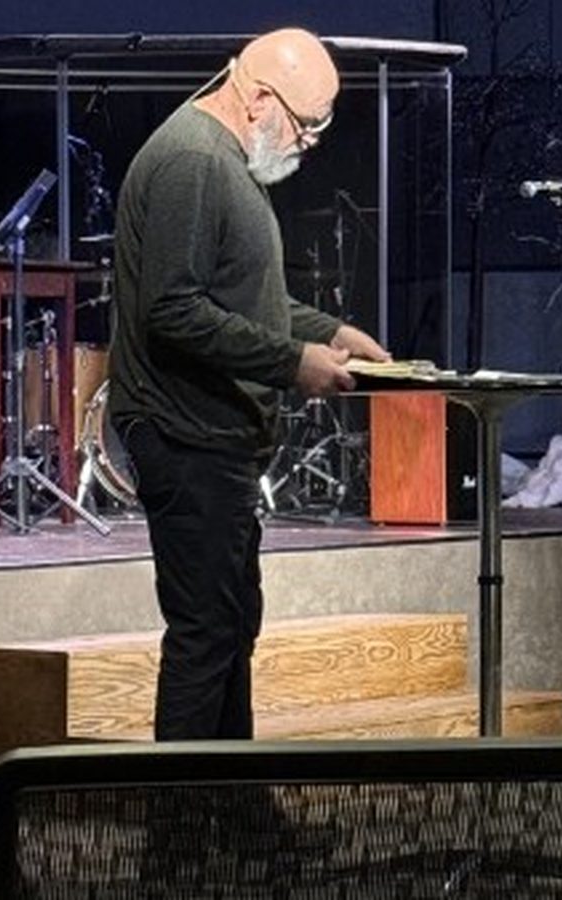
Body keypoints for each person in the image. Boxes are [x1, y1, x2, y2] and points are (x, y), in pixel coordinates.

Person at [108, 29, 390, 739]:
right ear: (259, 97)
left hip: (215, 437)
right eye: (305, 126)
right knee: (206, 637)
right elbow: (174, 309)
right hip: (185, 433)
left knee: (230, 626)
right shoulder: (194, 162)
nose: (310, 144)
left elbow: (241, 297)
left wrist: (328, 331)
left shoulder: (224, 162)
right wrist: (297, 363)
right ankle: (181, 835)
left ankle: (230, 808)